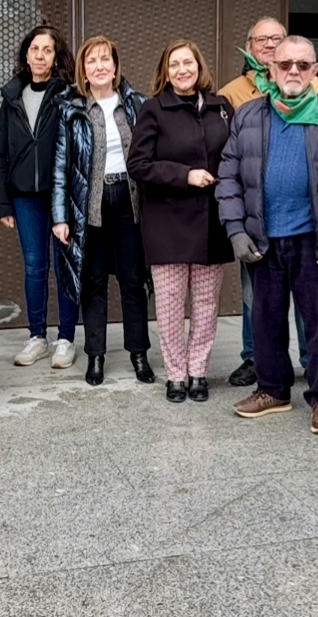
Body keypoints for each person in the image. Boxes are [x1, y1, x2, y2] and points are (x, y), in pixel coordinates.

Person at [217, 36, 318, 430]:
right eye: (285, 64)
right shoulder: (249, 115)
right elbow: (228, 176)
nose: (293, 71)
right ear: (270, 69)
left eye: (303, 65)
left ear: (315, 71)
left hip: (314, 238)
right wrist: (236, 230)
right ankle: (272, 389)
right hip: (263, 238)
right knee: (266, 318)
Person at [127, 40, 233, 403]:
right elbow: (138, 165)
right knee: (171, 305)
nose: (182, 70)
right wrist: (185, 175)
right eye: (175, 65)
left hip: (212, 222)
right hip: (168, 223)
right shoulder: (153, 109)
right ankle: (175, 374)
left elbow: (232, 156)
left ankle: (198, 371)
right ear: (165, 71)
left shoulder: (221, 107)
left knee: (206, 303)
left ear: (199, 66)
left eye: (188, 62)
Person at [51, 35, 152, 386]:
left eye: (105, 59)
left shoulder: (137, 103)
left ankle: (139, 354)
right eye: (91, 60)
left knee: (132, 281)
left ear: (115, 65)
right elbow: (61, 166)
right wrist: (60, 216)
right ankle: (95, 356)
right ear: (83, 69)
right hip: (88, 206)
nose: (99, 66)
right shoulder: (71, 108)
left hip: (128, 198)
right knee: (92, 283)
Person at [0, 25, 81, 369]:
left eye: (48, 49)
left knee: (64, 267)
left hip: (60, 196)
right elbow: (1, 153)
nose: (41, 55)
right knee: (34, 267)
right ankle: (36, 337)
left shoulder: (69, 94)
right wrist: (2, 202)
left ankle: (66, 339)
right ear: (26, 54)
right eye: (35, 49)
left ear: (57, 55)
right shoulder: (12, 95)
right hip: (24, 198)